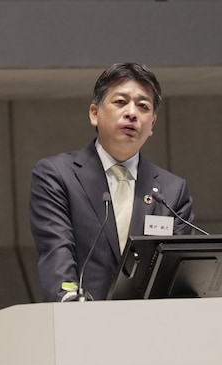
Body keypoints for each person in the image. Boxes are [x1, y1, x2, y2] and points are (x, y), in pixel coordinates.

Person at [30, 63, 195, 302]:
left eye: (143, 106)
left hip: (151, 320)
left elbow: (176, 271)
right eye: (120, 102)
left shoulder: (172, 191)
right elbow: (57, 248)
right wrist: (69, 299)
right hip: (82, 316)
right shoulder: (57, 175)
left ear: (152, 125)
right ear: (94, 114)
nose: (132, 113)